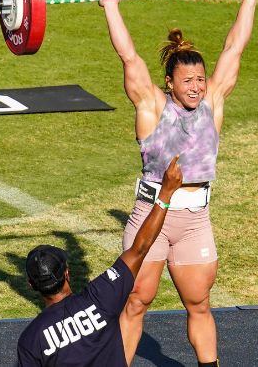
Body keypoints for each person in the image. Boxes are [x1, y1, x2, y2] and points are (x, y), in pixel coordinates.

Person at [99, 0, 257, 367]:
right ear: (170, 83)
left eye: (200, 80)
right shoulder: (151, 105)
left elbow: (234, 49)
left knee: (199, 303)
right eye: (188, 81)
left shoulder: (212, 102)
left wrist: (249, 0)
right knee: (136, 301)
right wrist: (110, 6)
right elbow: (129, 57)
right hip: (152, 216)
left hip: (195, 222)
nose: (197, 87)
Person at [17, 156, 183, 367]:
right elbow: (140, 248)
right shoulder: (100, 297)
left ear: (32, 285)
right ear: (67, 273)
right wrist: (166, 193)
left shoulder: (31, 340)